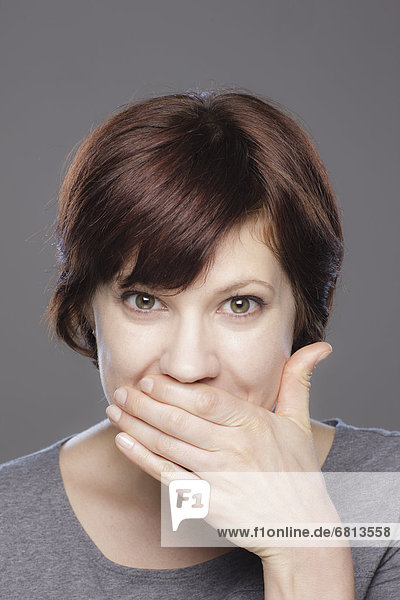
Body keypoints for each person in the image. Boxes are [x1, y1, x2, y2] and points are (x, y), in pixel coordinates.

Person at [1, 88, 399, 599]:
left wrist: (307, 546)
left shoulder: (388, 501)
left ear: (302, 312)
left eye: (239, 305)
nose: (188, 367)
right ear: (85, 307)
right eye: (145, 301)